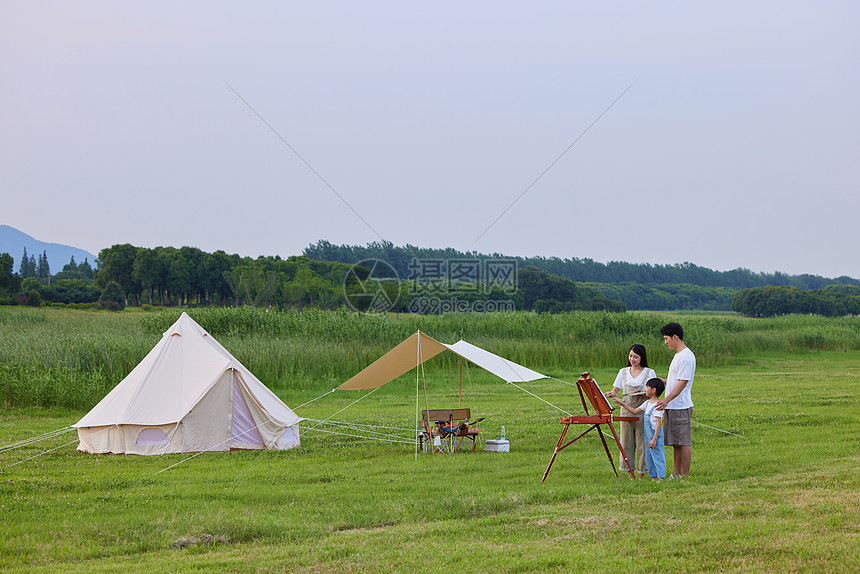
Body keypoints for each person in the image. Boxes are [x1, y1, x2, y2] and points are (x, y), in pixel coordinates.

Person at [605, 344, 656, 479]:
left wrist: (645, 394)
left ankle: (642, 473)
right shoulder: (623, 371)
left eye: (636, 357)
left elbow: (653, 393)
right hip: (626, 412)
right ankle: (629, 473)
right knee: (626, 443)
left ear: (642, 357)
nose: (632, 359)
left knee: (642, 444)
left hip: (642, 411)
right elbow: (615, 390)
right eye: (630, 356)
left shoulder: (649, 372)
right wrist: (610, 394)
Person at [656, 322, 695, 478]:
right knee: (675, 443)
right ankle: (676, 473)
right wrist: (664, 381)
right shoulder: (678, 355)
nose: (665, 342)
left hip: (680, 406)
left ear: (675, 337)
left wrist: (666, 400)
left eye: (666, 339)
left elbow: (683, 383)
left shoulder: (686, 356)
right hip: (673, 406)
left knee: (683, 442)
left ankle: (684, 475)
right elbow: (677, 379)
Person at [614, 378, 666, 481]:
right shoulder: (646, 404)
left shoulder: (658, 406)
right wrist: (622, 403)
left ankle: (662, 478)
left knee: (658, 457)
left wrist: (654, 439)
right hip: (648, 436)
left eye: (647, 387)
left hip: (655, 435)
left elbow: (658, 423)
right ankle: (654, 477)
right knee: (649, 457)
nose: (645, 389)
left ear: (653, 390)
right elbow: (634, 411)